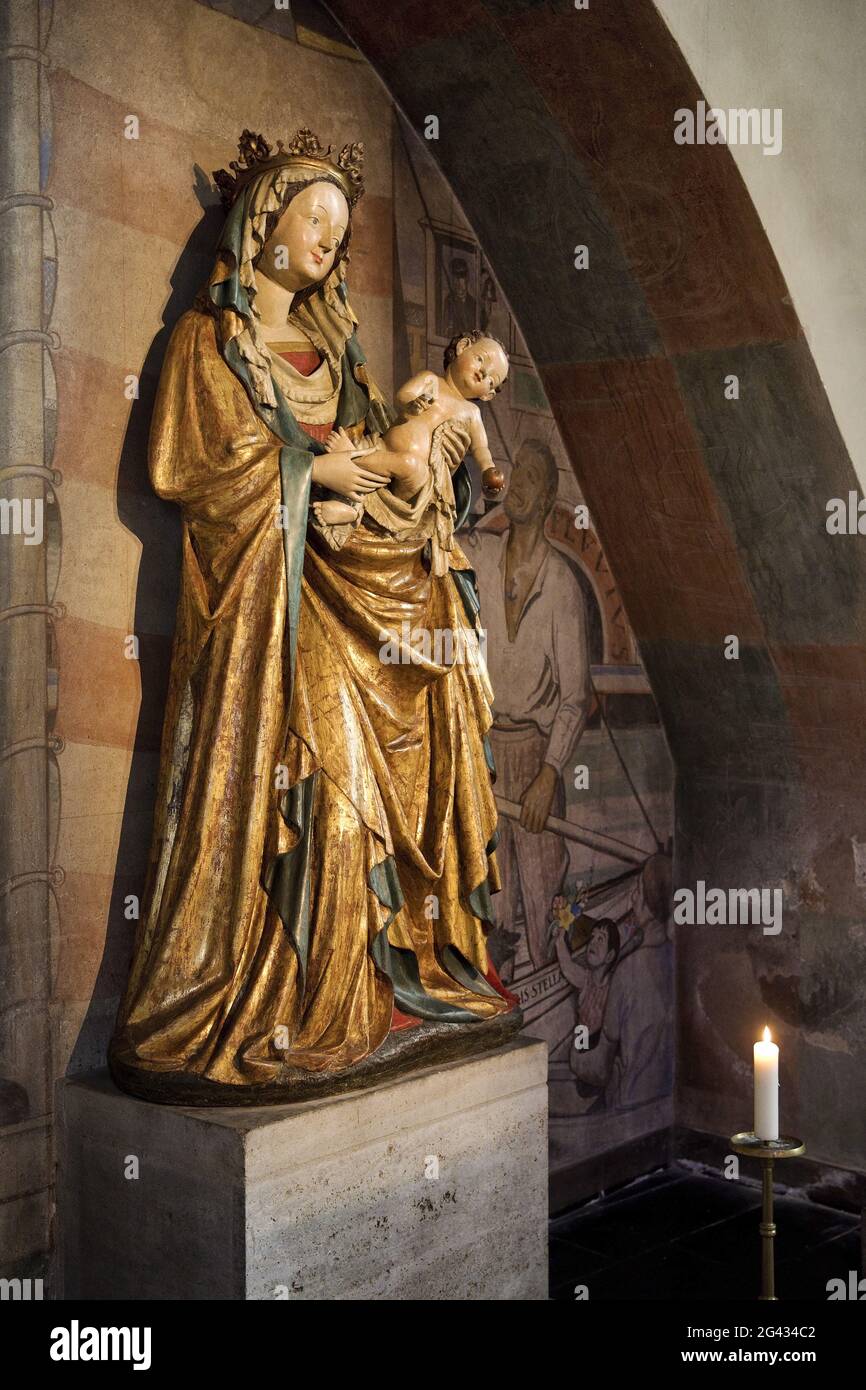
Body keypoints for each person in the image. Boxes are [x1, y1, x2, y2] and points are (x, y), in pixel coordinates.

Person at [109, 129, 516, 1103]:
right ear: (262, 226)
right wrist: (307, 470)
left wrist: (422, 489)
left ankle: (392, 969)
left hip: (357, 580)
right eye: (313, 220)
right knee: (331, 801)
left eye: (340, 228)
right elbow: (188, 476)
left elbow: (390, 452)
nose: (328, 240)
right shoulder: (207, 344)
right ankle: (285, 996)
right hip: (273, 614)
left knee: (445, 661)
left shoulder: (337, 356)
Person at [465, 438, 592, 974]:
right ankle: (494, 994)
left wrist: (549, 775)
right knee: (489, 893)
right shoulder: (480, 554)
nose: (517, 484)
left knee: (542, 897)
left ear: (545, 502)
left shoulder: (562, 585)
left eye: (532, 479)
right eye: (516, 474)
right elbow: (431, 542)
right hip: (486, 752)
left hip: (537, 760)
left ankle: (547, 989)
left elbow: (575, 699)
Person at [311, 331, 508, 574]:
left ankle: (352, 459)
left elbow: (481, 448)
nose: (483, 372)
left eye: (491, 379)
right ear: (462, 347)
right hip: (383, 449)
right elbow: (403, 395)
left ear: (488, 394)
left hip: (415, 483)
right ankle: (350, 506)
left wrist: (489, 470)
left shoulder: (471, 413)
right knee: (376, 473)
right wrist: (412, 403)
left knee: (412, 465)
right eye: (481, 359)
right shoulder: (431, 381)